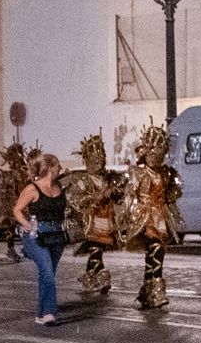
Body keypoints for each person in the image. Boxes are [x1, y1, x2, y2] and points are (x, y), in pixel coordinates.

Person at [118, 123, 183, 311]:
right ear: (145, 153)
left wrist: (173, 191)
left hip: (161, 216)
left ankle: (148, 290)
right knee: (155, 248)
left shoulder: (165, 173)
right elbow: (130, 195)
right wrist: (125, 215)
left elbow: (172, 194)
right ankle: (155, 291)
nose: (154, 159)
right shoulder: (138, 173)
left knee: (156, 252)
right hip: (145, 216)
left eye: (159, 155)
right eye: (151, 154)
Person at [12, 151, 71, 324]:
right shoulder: (32, 188)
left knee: (48, 272)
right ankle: (50, 313)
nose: (60, 168)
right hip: (36, 236)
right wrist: (26, 224)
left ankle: (41, 313)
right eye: (58, 165)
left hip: (56, 235)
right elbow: (17, 209)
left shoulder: (59, 187)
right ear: (51, 168)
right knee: (47, 270)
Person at [61, 133, 122, 297]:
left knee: (98, 249)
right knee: (95, 248)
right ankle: (102, 276)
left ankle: (89, 276)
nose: (98, 163)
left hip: (105, 220)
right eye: (94, 160)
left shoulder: (108, 178)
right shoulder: (82, 180)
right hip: (89, 222)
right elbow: (74, 199)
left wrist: (113, 192)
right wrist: (94, 197)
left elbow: (120, 193)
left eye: (100, 159)